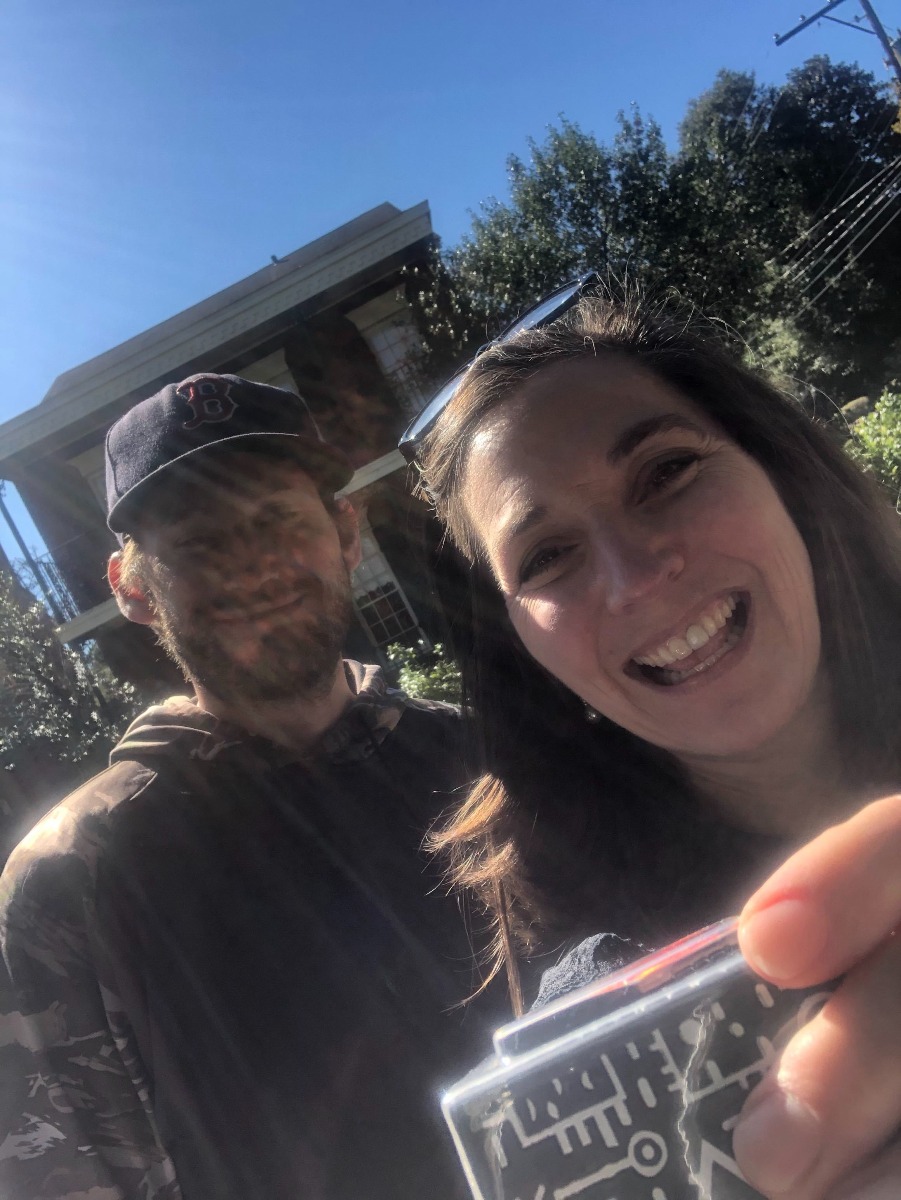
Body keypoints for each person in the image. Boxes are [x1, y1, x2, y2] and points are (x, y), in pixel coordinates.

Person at [400, 282, 901, 1199]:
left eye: (665, 472)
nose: (635, 578)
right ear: (524, 653)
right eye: (547, 556)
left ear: (778, 473)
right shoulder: (600, 1026)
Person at [0, 373, 492, 1200]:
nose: (251, 564)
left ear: (345, 531)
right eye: (197, 543)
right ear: (130, 588)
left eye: (276, 519)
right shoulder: (65, 885)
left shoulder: (487, 763)